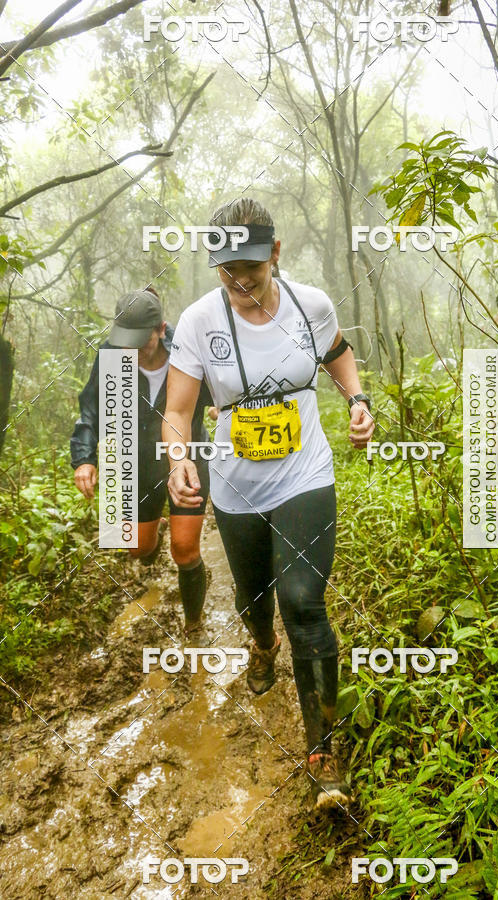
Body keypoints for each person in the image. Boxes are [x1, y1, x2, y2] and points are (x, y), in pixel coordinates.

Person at [162, 199, 375, 809]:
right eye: (226, 270)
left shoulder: (311, 305)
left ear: (274, 254)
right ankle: (262, 644)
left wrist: (358, 401)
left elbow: (338, 356)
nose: (238, 281)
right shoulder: (200, 321)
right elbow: (178, 412)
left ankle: (323, 750)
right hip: (234, 487)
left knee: (303, 601)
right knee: (254, 598)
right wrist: (180, 459)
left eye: (249, 268)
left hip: (305, 473)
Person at [70, 287, 212, 636]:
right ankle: (154, 534)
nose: (129, 351)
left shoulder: (186, 349)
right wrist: (85, 460)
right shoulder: (110, 356)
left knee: (184, 550)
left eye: (139, 342)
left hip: (185, 457)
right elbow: (91, 408)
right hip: (135, 459)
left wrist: (222, 404)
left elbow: (221, 386)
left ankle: (193, 624)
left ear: (161, 330)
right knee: (136, 547)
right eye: (124, 341)